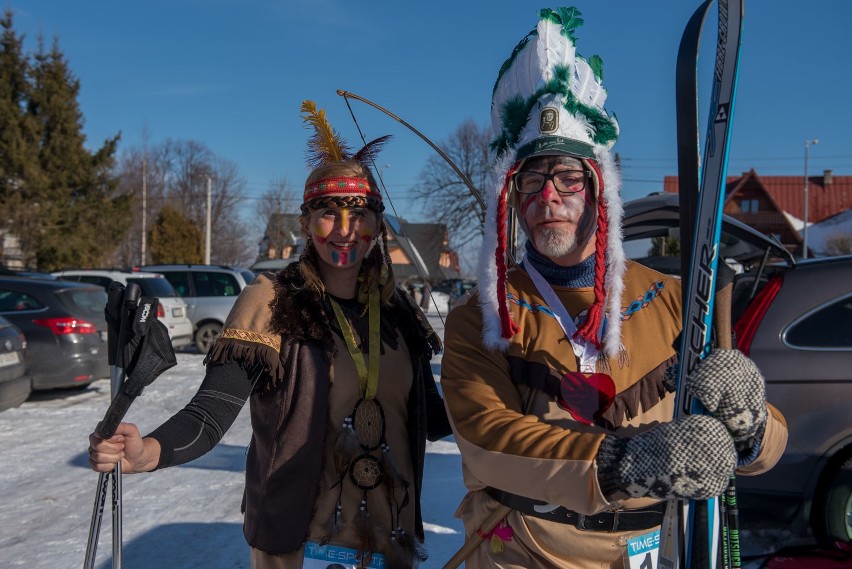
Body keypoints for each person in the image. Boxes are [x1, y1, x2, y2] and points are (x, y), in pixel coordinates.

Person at [439, 8, 788, 568]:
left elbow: (766, 452)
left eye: (568, 176)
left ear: (601, 189)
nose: (548, 195)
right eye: (532, 178)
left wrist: (750, 423)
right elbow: (488, 441)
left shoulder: (677, 300)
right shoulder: (481, 314)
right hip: (523, 550)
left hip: (654, 552)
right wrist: (625, 462)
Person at [88, 100, 450, 569]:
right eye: (327, 212)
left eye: (360, 213)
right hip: (298, 546)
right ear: (304, 223)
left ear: (379, 225)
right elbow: (211, 411)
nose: (345, 229)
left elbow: (436, 419)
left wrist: (508, 376)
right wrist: (148, 452)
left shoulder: (399, 314)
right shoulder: (272, 301)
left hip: (388, 544)